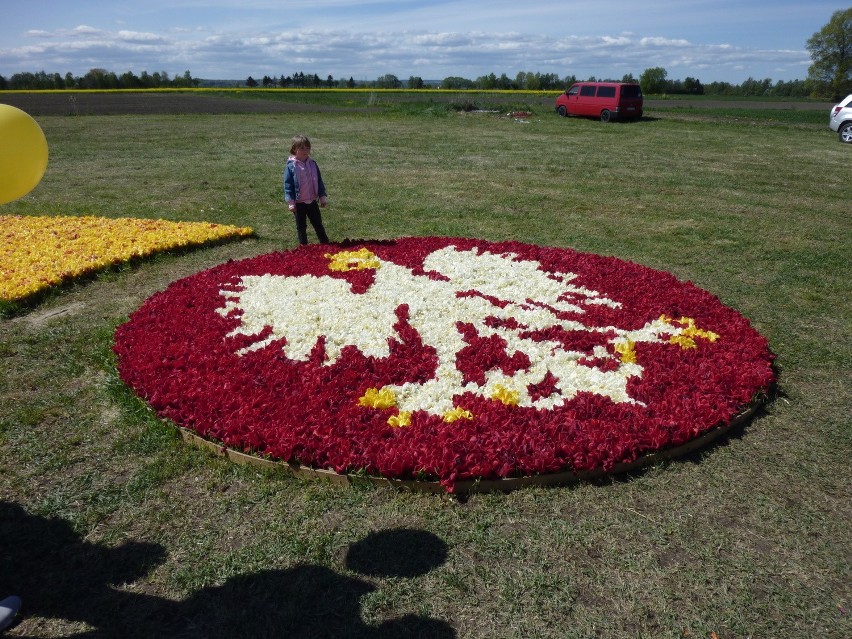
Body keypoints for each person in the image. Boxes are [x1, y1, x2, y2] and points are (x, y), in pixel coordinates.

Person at [283, 135, 330, 245]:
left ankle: (325, 243)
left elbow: (319, 181)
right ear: (294, 149)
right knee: (301, 226)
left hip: (312, 201)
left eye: (307, 147)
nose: (306, 150)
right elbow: (288, 185)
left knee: (318, 223)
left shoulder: (313, 164)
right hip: (299, 203)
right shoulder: (291, 166)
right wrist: (291, 203)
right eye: (302, 148)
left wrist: (322, 197)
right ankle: (304, 248)